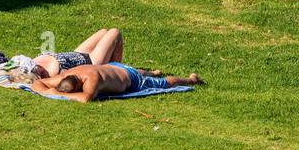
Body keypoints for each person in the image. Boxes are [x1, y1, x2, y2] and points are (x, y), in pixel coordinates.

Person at [31, 63, 202, 103]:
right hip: (113, 67)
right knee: (139, 72)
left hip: (131, 79)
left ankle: (191, 79)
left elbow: (85, 99)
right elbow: (37, 84)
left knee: (162, 83)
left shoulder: (91, 80)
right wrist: (46, 90)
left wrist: (53, 93)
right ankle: (153, 71)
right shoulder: (67, 75)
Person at [31, 28, 124, 79]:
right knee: (114, 32)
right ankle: (119, 73)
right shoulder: (53, 75)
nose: (36, 67)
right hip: (92, 62)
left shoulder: (33, 62)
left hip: (77, 55)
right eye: (35, 69)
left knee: (103, 31)